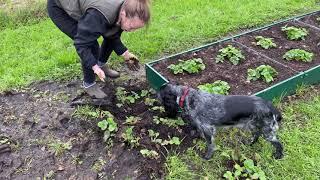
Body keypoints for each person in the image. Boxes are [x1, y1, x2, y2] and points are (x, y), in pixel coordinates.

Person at [47, 0, 151, 98]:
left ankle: (102, 66)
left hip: (93, 10)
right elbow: (82, 44)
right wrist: (94, 66)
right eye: (132, 27)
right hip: (60, 8)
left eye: (135, 29)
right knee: (91, 44)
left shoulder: (126, 7)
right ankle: (89, 84)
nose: (131, 30)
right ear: (123, 13)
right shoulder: (99, 15)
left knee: (113, 31)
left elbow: (112, 35)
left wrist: (126, 54)